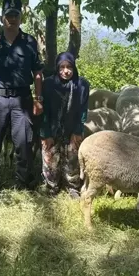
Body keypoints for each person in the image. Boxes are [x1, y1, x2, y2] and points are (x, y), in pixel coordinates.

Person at [0, 0, 44, 194]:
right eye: (8, 16)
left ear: (20, 18)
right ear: (2, 18)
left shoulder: (29, 42)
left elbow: (38, 72)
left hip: (21, 99)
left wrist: (38, 99)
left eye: (16, 15)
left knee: (23, 142)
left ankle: (23, 182)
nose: (12, 19)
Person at [40, 52, 89, 198]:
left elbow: (83, 109)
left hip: (72, 128)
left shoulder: (81, 85)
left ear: (74, 67)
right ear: (57, 68)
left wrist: (78, 130)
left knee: (73, 159)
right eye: (62, 67)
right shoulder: (48, 84)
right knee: (50, 159)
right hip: (52, 127)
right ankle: (52, 186)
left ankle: (73, 187)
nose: (66, 71)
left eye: (69, 67)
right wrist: (45, 134)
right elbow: (44, 111)